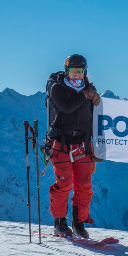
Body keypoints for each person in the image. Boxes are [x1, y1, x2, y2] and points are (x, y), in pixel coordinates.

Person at [48, 54, 101, 238]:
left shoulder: (90, 89)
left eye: (81, 70)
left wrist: (100, 147)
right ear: (66, 71)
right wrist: (85, 94)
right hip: (61, 144)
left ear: (85, 71)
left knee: (84, 185)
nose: (77, 74)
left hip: (83, 146)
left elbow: (96, 120)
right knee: (64, 184)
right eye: (73, 70)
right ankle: (59, 223)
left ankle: (78, 223)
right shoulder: (57, 88)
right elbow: (67, 107)